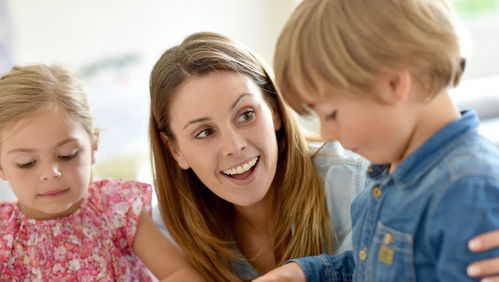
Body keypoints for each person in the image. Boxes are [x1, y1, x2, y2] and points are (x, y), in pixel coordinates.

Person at [255, 0, 499, 281]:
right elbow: (374, 268)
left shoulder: (466, 189)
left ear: (394, 83)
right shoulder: (386, 174)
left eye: (331, 114)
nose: (326, 134)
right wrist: (303, 274)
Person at [148, 31, 368, 281]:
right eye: (205, 132)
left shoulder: (355, 185)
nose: (234, 146)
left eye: (246, 115)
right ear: (175, 150)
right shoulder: (165, 235)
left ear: (274, 110)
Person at [0, 64, 204, 281]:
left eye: (67, 154)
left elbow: (178, 272)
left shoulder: (115, 207)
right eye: (27, 163)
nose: (50, 173)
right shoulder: (4, 232)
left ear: (93, 145)